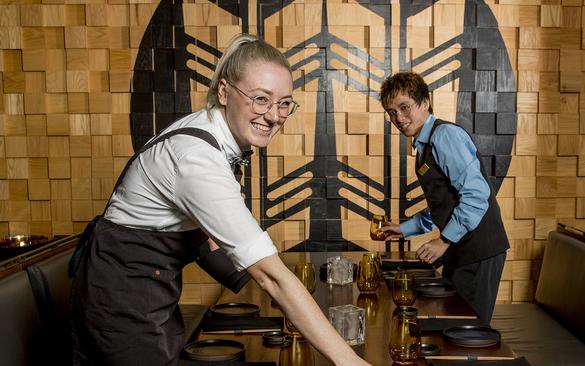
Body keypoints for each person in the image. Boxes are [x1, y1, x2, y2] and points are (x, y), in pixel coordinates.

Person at [70, 33, 371, 366]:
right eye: (260, 99)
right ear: (224, 92)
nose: (273, 115)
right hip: (121, 304)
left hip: (148, 294)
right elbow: (271, 277)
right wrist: (351, 362)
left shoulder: (213, 137)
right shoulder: (196, 158)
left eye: (284, 103)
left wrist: (253, 286)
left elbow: (207, 235)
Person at [378, 72, 509, 325]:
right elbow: (445, 202)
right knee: (451, 323)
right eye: (391, 112)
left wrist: (444, 240)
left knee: (468, 331)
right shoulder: (424, 144)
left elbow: (476, 195)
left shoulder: (444, 136)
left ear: (425, 102)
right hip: (460, 248)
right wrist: (405, 228)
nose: (398, 118)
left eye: (404, 107)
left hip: (479, 249)